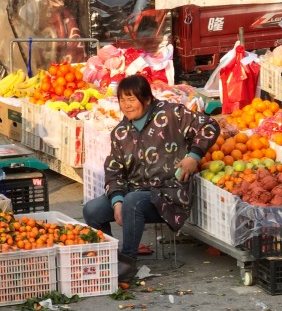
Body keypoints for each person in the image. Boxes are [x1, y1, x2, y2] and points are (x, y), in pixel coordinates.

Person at [83, 74, 220, 282]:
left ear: (146, 99)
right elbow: (113, 170)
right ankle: (107, 258)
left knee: (133, 201)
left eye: (131, 99)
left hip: (168, 193)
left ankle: (127, 261)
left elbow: (210, 125)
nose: (126, 106)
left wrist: (194, 155)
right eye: (122, 100)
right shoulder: (121, 132)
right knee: (92, 210)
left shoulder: (171, 114)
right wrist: (116, 200)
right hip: (134, 193)